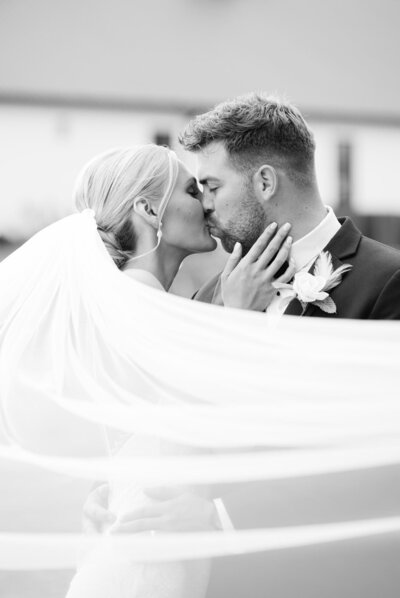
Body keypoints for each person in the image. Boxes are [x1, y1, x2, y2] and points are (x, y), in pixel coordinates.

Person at [63, 143, 294, 598]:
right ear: (150, 210)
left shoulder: (135, 297)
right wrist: (238, 318)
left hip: (139, 525)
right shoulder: (138, 297)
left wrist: (106, 483)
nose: (207, 204)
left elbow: (134, 428)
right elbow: (191, 419)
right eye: (193, 190)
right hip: (151, 549)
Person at [179, 92, 400, 319]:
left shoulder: (389, 282)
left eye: (213, 187)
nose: (204, 204)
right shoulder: (207, 299)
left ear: (265, 182)